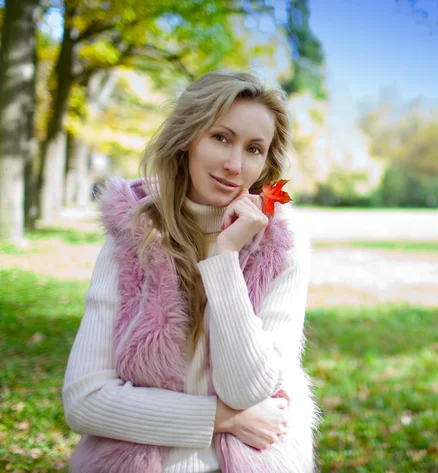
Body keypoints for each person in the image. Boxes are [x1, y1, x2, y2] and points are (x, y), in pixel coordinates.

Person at [62, 70, 318, 473]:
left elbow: (248, 389)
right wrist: (225, 418)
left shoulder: (280, 247)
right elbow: (85, 400)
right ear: (187, 139)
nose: (235, 164)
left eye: (254, 149)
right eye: (221, 137)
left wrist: (224, 257)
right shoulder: (132, 236)